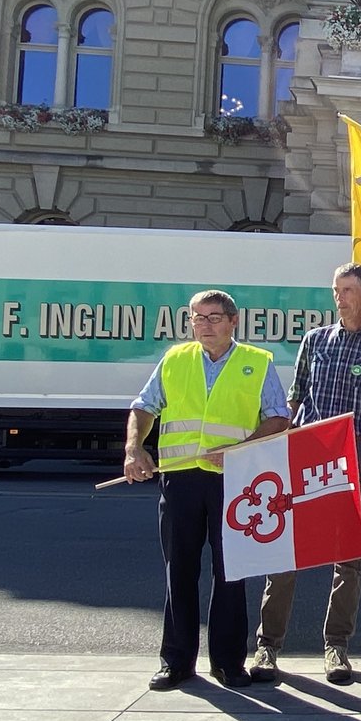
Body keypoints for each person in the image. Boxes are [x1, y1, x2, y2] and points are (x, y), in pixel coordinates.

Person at [249, 263, 361, 685]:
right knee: (285, 555)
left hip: (353, 455)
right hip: (305, 452)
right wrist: (276, 444)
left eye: (348, 290)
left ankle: (337, 647)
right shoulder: (315, 340)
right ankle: (268, 647)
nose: (340, 298)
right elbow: (294, 398)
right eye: (336, 290)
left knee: (347, 558)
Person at [124, 290, 291, 691]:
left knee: (230, 573)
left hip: (234, 483)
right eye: (198, 318)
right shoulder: (175, 360)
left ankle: (228, 664)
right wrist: (134, 448)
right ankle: (176, 661)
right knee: (178, 571)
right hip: (180, 480)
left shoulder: (257, 362)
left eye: (214, 318)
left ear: (234, 321)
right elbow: (144, 407)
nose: (205, 325)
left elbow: (279, 418)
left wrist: (238, 449)